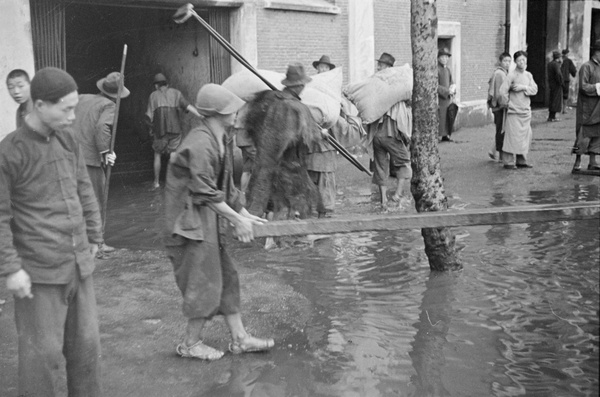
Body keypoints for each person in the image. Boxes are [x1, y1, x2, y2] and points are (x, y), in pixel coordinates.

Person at [0, 67, 103, 396]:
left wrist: (95, 235)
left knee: (87, 350)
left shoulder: (67, 139)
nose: (74, 117)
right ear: (40, 105)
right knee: (40, 359)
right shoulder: (10, 152)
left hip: (78, 266)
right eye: (67, 109)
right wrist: (11, 268)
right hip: (39, 274)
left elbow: (83, 189)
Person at [164, 83, 273, 361]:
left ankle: (240, 339)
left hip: (206, 217)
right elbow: (203, 190)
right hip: (188, 224)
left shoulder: (222, 138)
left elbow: (224, 185)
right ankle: (189, 344)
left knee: (226, 277)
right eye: (231, 109)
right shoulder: (200, 142)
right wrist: (235, 219)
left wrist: (243, 212)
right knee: (204, 281)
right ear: (215, 113)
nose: (237, 113)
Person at [72, 71, 130, 256]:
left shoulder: (82, 98)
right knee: (96, 199)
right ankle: (97, 243)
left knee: (76, 199)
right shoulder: (109, 105)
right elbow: (101, 127)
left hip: (69, 155)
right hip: (89, 159)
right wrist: (106, 152)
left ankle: (79, 242)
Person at [366, 52, 413, 209]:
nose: (379, 67)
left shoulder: (376, 83)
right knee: (404, 162)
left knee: (380, 166)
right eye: (379, 64)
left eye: (381, 65)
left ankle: (384, 201)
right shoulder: (395, 85)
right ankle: (396, 196)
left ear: (388, 68)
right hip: (390, 132)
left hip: (376, 133)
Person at [146, 72, 201, 189]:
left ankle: (156, 182)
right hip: (175, 130)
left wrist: (151, 129)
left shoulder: (153, 95)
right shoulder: (176, 93)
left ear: (156, 85)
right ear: (167, 84)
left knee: (157, 155)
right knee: (173, 155)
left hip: (160, 132)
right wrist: (200, 115)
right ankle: (174, 182)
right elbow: (187, 106)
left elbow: (149, 116)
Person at [307, 56, 338, 217]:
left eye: (326, 67)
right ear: (317, 69)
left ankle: (323, 218)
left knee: (325, 184)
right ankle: (314, 218)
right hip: (311, 146)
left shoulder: (333, 93)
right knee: (311, 182)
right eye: (321, 67)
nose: (323, 70)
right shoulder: (310, 88)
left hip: (327, 145)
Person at [499, 50, 538, 169]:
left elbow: (535, 89)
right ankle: (508, 162)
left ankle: (521, 160)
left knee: (525, 137)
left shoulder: (528, 75)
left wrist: (523, 87)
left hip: (525, 111)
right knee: (512, 136)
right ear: (515, 62)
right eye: (519, 60)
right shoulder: (511, 75)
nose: (522, 62)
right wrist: (507, 104)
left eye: (524, 60)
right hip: (514, 111)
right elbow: (502, 91)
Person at [572, 39, 600, 171]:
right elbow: (583, 87)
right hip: (587, 108)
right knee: (582, 135)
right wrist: (598, 87)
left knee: (597, 134)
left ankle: (593, 161)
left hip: (598, 107)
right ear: (596, 53)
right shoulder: (586, 67)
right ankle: (577, 161)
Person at [487, 52, 512, 161]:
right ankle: (500, 154)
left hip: (499, 105)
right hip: (500, 106)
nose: (507, 63)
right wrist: (505, 104)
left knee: (501, 128)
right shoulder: (500, 74)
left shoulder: (503, 73)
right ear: (500, 62)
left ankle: (494, 151)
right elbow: (500, 92)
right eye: (505, 61)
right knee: (501, 129)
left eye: (509, 61)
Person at [438, 48, 456, 142]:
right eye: (443, 57)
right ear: (438, 58)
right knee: (441, 117)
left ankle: (446, 135)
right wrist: (446, 91)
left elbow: (451, 81)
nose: (445, 59)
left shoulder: (447, 69)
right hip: (440, 98)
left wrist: (453, 88)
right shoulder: (437, 69)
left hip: (447, 98)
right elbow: (435, 85)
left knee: (447, 117)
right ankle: (439, 135)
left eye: (446, 57)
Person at [547, 50, 563, 122]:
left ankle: (551, 116)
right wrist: (561, 82)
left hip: (551, 83)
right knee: (556, 100)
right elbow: (558, 74)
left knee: (552, 99)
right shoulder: (556, 64)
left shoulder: (550, 64)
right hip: (556, 84)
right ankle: (553, 117)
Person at [561, 49, 578, 113]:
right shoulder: (568, 61)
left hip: (559, 80)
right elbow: (573, 70)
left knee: (558, 94)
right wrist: (574, 73)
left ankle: (560, 109)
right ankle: (564, 109)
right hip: (565, 79)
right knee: (565, 94)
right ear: (567, 54)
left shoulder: (559, 60)